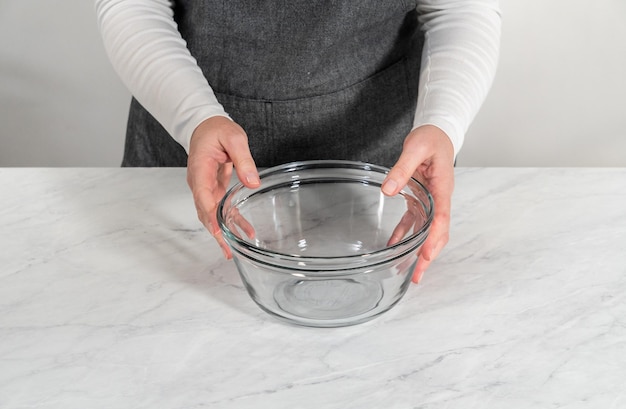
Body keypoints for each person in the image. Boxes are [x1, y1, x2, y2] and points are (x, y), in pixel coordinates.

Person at [95, 0, 501, 283]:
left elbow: (459, 9)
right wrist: (195, 118)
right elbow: (133, 4)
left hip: (380, 176)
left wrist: (443, 123)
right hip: (191, 159)